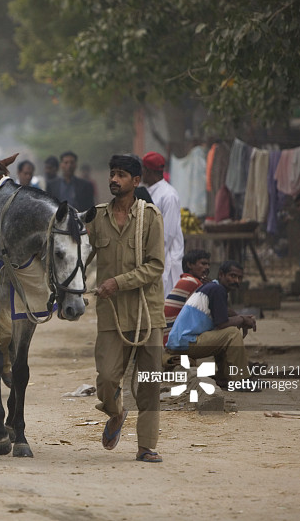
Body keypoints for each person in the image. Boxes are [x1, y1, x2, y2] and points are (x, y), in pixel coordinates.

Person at [86, 153, 165, 463]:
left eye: (121, 175)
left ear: (136, 181)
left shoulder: (151, 217)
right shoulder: (95, 218)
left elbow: (156, 266)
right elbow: (81, 257)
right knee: (106, 378)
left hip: (148, 313)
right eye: (112, 174)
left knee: (149, 385)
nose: (114, 180)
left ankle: (146, 446)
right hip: (111, 314)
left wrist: (117, 283)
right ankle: (115, 413)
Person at [166, 260, 259, 391]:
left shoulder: (214, 288)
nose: (236, 281)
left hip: (181, 342)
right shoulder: (217, 289)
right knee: (231, 333)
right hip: (185, 342)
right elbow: (222, 324)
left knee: (225, 335)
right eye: (232, 276)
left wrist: (241, 319)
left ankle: (224, 377)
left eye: (239, 278)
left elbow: (224, 314)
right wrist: (242, 320)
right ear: (221, 274)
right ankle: (242, 380)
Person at [142, 152, 184, 298]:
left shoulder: (168, 195)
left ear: (148, 171)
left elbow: (167, 234)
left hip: (166, 259)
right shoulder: (148, 192)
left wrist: (154, 260)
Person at [164, 249, 211, 346]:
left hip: (168, 334)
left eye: (208, 265)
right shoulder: (193, 282)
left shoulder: (186, 279)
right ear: (189, 265)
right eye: (203, 264)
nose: (207, 267)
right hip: (173, 337)